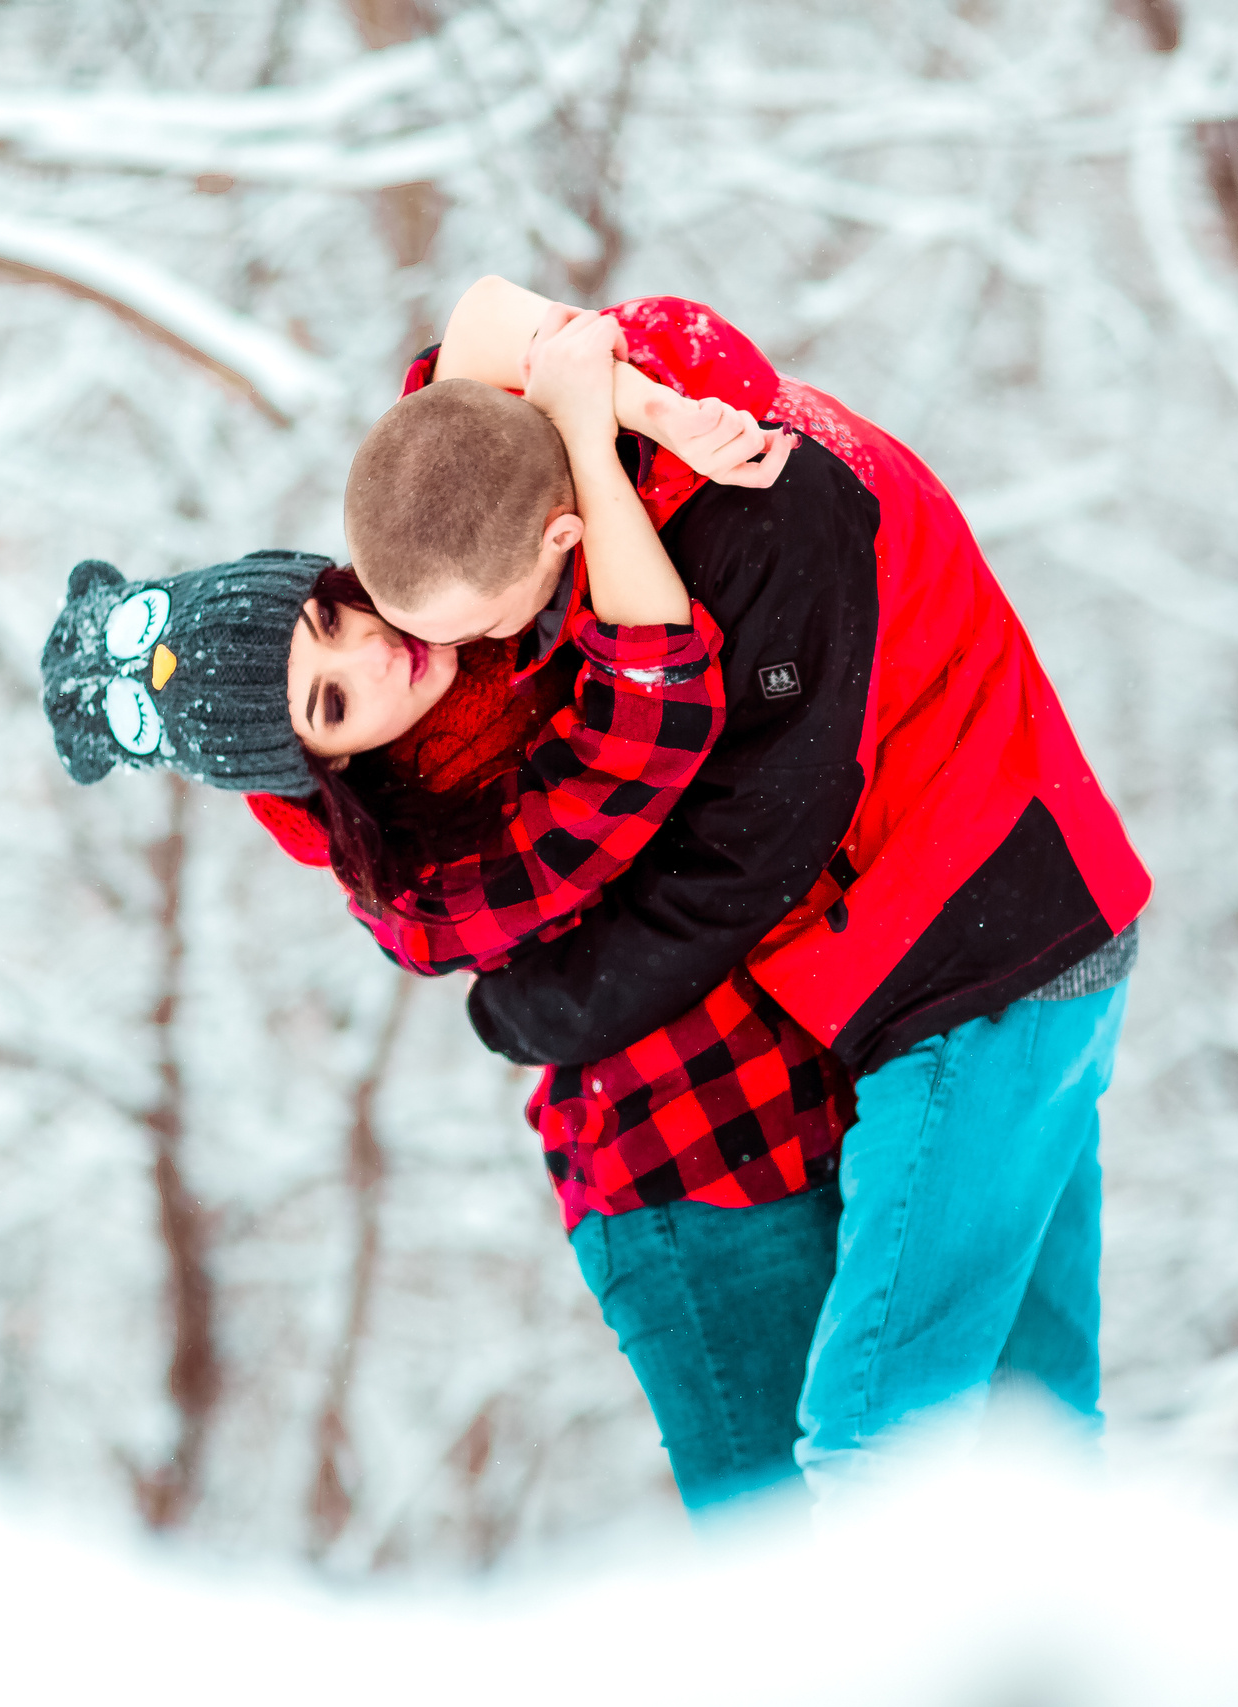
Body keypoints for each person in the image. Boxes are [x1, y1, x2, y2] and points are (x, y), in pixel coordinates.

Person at [344, 280, 1151, 1501]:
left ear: (562, 538)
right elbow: (479, 314)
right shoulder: (489, 436)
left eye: (486, 626)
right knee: (1038, 1438)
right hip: (978, 940)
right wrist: (621, 396)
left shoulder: (769, 520)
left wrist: (537, 1009)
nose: (477, 665)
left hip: (981, 954)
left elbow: (742, 862)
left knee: (875, 1440)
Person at [41, 314, 849, 1519]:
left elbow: (470, 357)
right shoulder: (421, 895)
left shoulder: (477, 604)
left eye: (329, 620)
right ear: (315, 767)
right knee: (802, 1551)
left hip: (826, 1092)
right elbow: (643, 733)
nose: (370, 658)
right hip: (687, 1185)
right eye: (326, 704)